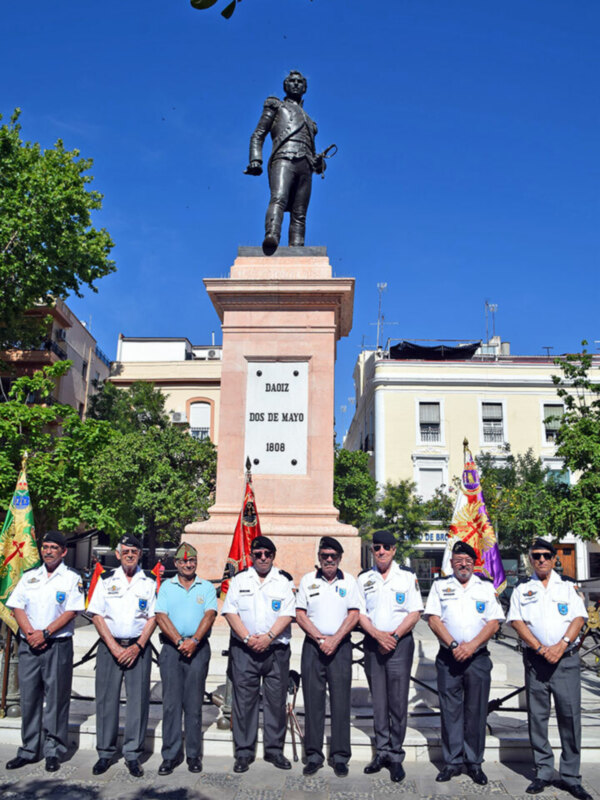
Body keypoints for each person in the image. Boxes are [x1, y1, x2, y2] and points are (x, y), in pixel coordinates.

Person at [508, 538, 591, 800]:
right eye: (536, 556)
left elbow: (579, 617)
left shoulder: (567, 586)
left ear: (555, 558)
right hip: (536, 661)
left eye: (546, 555)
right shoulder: (523, 588)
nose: (541, 560)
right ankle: (543, 771)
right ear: (530, 560)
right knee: (537, 718)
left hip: (565, 660)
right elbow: (516, 621)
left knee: (570, 718)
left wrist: (561, 644)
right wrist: (540, 648)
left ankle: (570, 776)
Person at [424, 540, 504, 785]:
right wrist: (454, 645)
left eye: (468, 561)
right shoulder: (440, 586)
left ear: (474, 564)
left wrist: (471, 646)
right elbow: (434, 619)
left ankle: (474, 762)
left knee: (476, 712)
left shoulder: (485, 587)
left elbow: (494, 622)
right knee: (450, 712)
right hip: (449, 658)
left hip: (477, 658)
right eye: (459, 560)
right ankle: (452, 762)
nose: (463, 564)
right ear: (451, 563)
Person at [6, 530, 84, 772]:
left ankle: (54, 750)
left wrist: (45, 633)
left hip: (57, 645)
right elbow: (17, 606)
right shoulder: (30, 576)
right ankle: (29, 749)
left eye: (53, 548)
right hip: (30, 645)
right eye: (45, 547)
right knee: (29, 698)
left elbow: (72, 611)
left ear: (63, 552)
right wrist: (30, 633)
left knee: (57, 700)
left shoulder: (71, 578)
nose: (48, 551)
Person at [221, 535, 295, 774]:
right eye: (258, 554)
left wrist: (268, 638)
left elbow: (288, 613)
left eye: (267, 554)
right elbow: (230, 612)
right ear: (252, 556)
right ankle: (243, 752)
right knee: (244, 703)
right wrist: (247, 638)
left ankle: (274, 750)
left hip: (276, 651)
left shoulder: (283, 580)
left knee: (276, 702)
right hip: (245, 650)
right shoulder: (240, 579)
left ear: (273, 556)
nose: (263, 558)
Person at [87, 534, 157, 778]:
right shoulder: (106, 580)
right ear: (118, 554)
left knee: (138, 702)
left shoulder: (148, 581)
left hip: (139, 648)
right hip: (109, 647)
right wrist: (114, 647)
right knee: (107, 701)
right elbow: (96, 615)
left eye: (134, 551)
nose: (129, 555)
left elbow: (153, 617)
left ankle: (133, 754)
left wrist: (138, 646)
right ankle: (105, 753)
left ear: (140, 554)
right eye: (125, 551)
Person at [357, 529, 423, 783]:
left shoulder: (406, 577)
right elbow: (359, 613)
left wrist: (393, 637)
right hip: (374, 644)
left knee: (397, 702)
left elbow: (414, 611)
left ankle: (396, 755)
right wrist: (377, 635)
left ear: (394, 550)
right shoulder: (364, 578)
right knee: (379, 702)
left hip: (399, 645)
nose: (381, 551)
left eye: (386, 547)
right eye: (377, 547)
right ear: (372, 550)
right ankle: (381, 751)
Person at [295, 536, 360, 777]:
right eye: (324, 556)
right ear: (319, 558)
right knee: (313, 702)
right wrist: (320, 639)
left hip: (340, 646)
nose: (329, 560)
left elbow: (354, 614)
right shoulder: (307, 580)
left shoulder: (350, 582)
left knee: (341, 702)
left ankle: (340, 756)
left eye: (333, 556)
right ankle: (313, 755)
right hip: (314, 646)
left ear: (340, 558)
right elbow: (300, 614)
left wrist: (334, 639)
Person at [155, 541, 217, 776]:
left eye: (192, 561)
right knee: (171, 705)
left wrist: (194, 641)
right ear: (176, 563)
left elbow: (209, 615)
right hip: (172, 649)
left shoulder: (206, 587)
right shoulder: (167, 587)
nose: (188, 564)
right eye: (184, 561)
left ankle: (193, 755)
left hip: (198, 649)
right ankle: (170, 755)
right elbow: (161, 616)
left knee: (194, 704)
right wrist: (180, 642)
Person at [245, 70, 324, 249]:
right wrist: (255, 159)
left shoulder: (311, 123)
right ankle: (271, 235)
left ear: (305, 88)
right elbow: (258, 134)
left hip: (306, 164)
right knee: (278, 198)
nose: (296, 84)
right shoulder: (276, 106)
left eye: (300, 82)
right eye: (292, 81)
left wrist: (320, 163)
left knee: (300, 212)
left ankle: (297, 246)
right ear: (285, 85)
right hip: (284, 158)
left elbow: (314, 154)